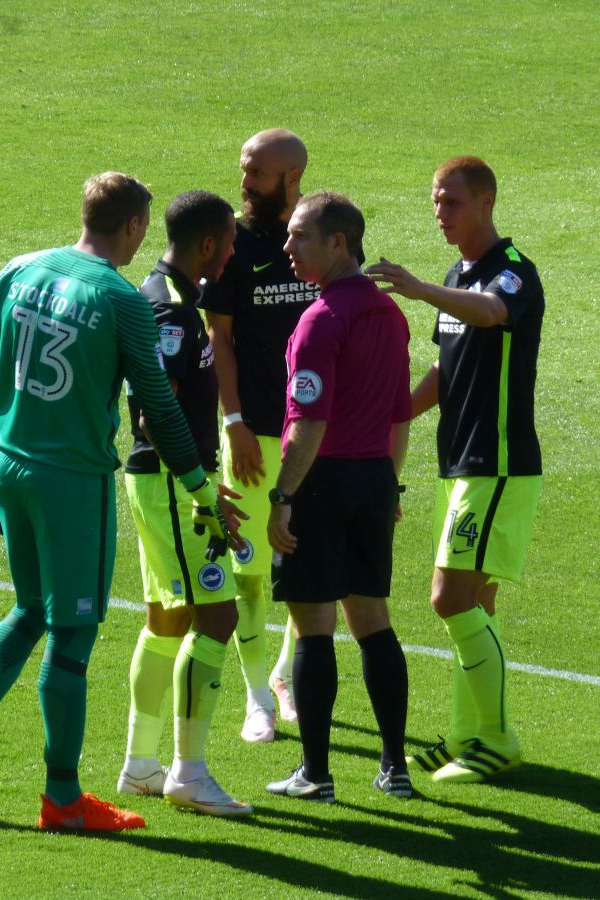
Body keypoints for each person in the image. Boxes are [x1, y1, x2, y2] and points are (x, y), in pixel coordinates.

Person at [0, 172, 236, 832]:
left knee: (29, 609)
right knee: (72, 631)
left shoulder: (17, 269)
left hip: (9, 465)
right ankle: (62, 797)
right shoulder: (120, 300)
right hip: (73, 482)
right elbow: (160, 408)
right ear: (133, 228)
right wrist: (202, 491)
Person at [366, 156, 545, 783]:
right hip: (459, 463)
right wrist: (393, 413)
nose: (440, 213)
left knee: (448, 599)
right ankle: (469, 731)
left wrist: (417, 290)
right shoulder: (457, 275)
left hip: (496, 465)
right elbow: (447, 371)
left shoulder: (514, 274)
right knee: (477, 603)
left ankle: (498, 738)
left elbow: (493, 314)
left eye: (452, 202)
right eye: (436, 202)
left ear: (487, 200)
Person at [263, 192, 414, 803]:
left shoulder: (320, 320)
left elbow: (308, 424)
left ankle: (316, 775)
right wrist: (391, 484)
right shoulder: (389, 314)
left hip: (321, 484)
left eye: (300, 236)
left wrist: (282, 496)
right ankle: (394, 767)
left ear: (339, 244)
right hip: (376, 478)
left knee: (313, 627)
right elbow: (401, 414)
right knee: (374, 622)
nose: (288, 247)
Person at [116, 190, 253, 817]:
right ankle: (188, 773)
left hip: (163, 482)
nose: (231, 253)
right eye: (227, 243)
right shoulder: (170, 311)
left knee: (165, 619)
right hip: (173, 483)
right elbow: (153, 414)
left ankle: (140, 766)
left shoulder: (169, 300)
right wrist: (199, 484)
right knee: (216, 617)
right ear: (206, 245)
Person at [200, 128, 317, 742]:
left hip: (314, 435)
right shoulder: (231, 243)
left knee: (304, 563)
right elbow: (219, 338)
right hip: (251, 432)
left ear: (291, 176)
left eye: (258, 172)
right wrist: (234, 421)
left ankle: (285, 677)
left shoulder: (322, 232)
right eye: (243, 167)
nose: (245, 181)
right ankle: (256, 702)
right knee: (247, 571)